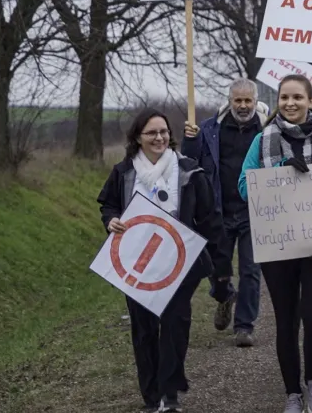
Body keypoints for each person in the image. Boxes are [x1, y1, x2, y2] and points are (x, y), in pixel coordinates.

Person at [97, 108, 232, 413]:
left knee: (174, 326)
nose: (159, 138)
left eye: (164, 132)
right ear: (138, 138)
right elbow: (109, 205)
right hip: (137, 263)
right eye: (151, 133)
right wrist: (111, 220)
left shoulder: (189, 170)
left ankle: (169, 396)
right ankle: (150, 396)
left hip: (179, 263)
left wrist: (221, 268)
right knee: (144, 331)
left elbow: (210, 219)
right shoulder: (124, 172)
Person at [238, 74, 312, 413]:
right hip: (279, 246)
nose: (290, 103)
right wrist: (281, 174)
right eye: (285, 97)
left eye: (297, 97)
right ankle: (292, 394)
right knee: (286, 320)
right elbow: (244, 187)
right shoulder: (262, 141)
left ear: (310, 101)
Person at [181, 79, 268, 347]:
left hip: (254, 211)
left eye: (247, 101)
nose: (242, 106)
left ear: (255, 101)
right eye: (237, 101)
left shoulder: (268, 131)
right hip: (218, 212)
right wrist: (190, 140)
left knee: (251, 269)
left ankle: (244, 326)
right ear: (229, 101)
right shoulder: (208, 129)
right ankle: (224, 295)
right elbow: (189, 164)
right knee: (217, 269)